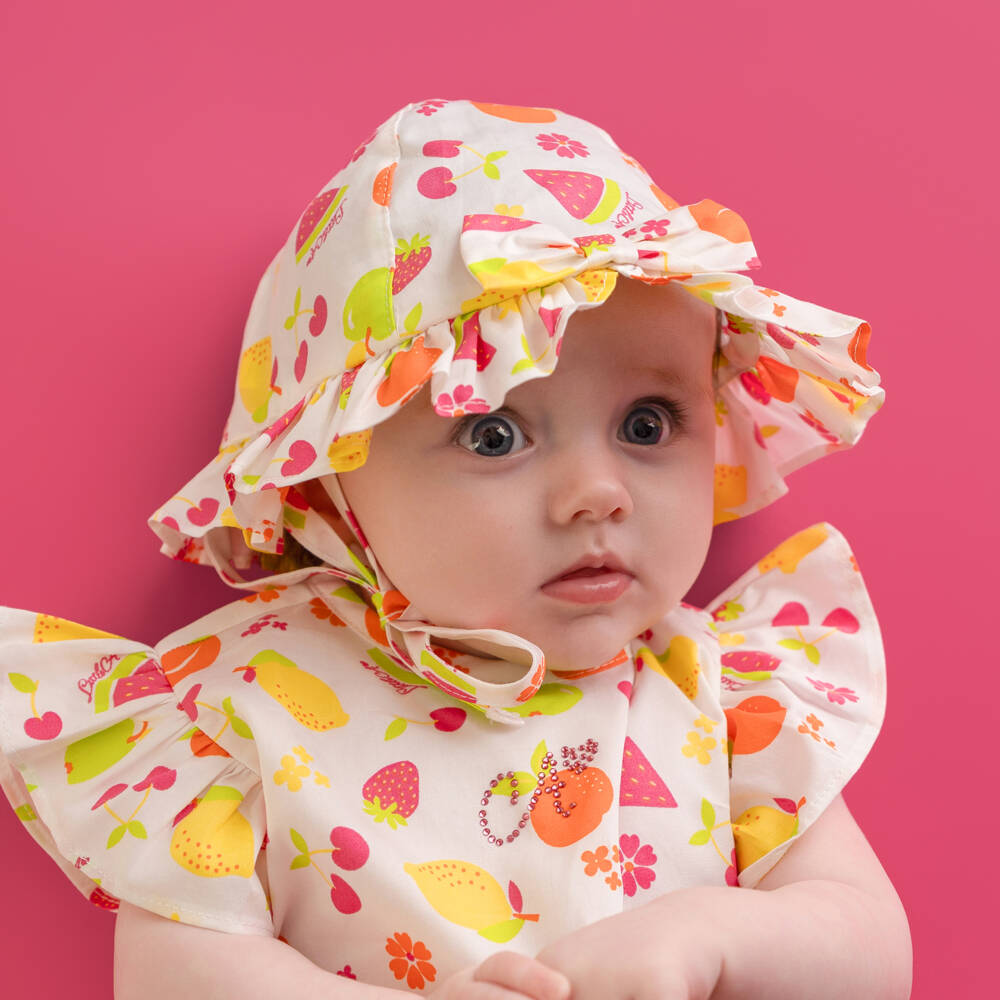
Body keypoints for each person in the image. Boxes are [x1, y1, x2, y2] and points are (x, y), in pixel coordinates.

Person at [0, 99, 911, 998]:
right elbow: (178, 979)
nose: (598, 492)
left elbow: (868, 945)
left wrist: (714, 934)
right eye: (493, 435)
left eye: (647, 423)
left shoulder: (726, 692)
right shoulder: (241, 712)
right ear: (330, 482)